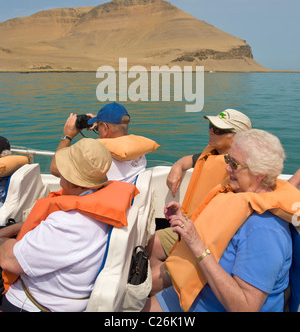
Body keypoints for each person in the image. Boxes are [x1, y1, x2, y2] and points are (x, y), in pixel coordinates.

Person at [144, 129, 298, 313]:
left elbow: (245, 307)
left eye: (234, 164)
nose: (227, 168)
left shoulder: (265, 231)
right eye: (228, 160)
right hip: (194, 291)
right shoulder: (235, 195)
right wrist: (185, 223)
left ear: (260, 174)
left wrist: (196, 244)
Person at [0, 137, 137, 312]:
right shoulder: (101, 204)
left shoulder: (68, 223)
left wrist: (3, 240)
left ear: (71, 180)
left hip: (32, 304)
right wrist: (9, 230)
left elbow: (9, 260)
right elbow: (40, 225)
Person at [147, 108, 252, 294]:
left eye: (218, 130)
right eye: (211, 126)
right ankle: (167, 294)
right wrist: (178, 166)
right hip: (188, 226)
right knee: (152, 243)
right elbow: (191, 159)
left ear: (238, 137)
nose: (210, 131)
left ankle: (167, 293)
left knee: (149, 281)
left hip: (208, 240)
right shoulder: (212, 154)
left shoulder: (243, 172)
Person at [50, 102, 147, 184]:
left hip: (96, 204)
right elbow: (114, 135)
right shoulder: (139, 152)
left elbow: (55, 168)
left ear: (104, 128)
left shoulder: (97, 158)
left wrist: (67, 136)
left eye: (100, 126)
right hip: (126, 202)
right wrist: (100, 126)